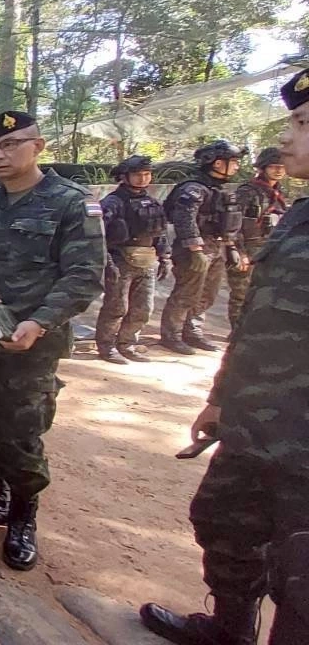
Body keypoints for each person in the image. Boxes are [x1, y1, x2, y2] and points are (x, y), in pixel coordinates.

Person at [139, 68, 309, 645]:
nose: (285, 140)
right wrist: (219, 399)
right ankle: (229, 629)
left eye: (302, 123)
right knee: (223, 524)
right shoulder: (301, 218)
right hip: (254, 429)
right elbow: (256, 323)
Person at [0, 111, 104, 571]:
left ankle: (23, 517)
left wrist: (40, 322)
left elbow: (84, 277)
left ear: (39, 146)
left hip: (33, 346)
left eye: (11, 144)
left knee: (22, 432)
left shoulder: (71, 204)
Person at [158, 141, 246, 355]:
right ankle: (172, 335)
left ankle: (193, 331)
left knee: (208, 293)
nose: (236, 167)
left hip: (216, 246)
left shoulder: (218, 189)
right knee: (187, 292)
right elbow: (184, 220)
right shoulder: (193, 189)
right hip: (195, 249)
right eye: (233, 162)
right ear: (217, 163)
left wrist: (231, 246)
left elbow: (229, 221)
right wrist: (195, 250)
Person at [94, 155, 169, 364]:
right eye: (138, 175)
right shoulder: (113, 202)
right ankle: (107, 346)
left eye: (147, 174)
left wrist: (165, 257)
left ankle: (127, 343)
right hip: (120, 260)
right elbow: (98, 234)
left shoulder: (152, 202)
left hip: (147, 261)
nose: (143, 179)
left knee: (144, 308)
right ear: (125, 177)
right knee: (116, 307)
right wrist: (107, 261)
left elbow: (159, 232)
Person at [226, 146, 287, 327]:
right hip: (248, 247)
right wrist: (239, 251)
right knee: (241, 294)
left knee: (264, 293)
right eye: (274, 167)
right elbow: (234, 224)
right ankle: (237, 332)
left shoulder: (278, 193)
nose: (278, 171)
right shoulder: (247, 191)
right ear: (262, 168)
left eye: (282, 167)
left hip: (270, 248)